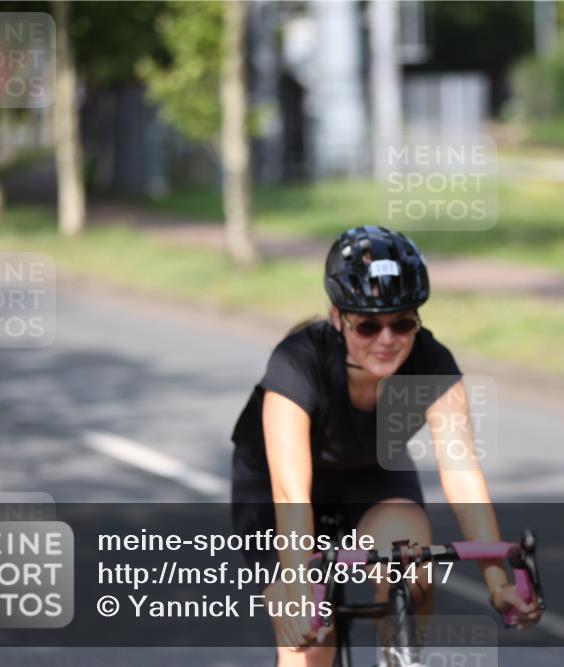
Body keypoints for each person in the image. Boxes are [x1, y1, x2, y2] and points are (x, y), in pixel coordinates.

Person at [231, 225, 541, 667]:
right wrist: (296, 583)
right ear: (338, 317)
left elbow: (462, 472)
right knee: (310, 640)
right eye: (368, 325)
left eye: (402, 322)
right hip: (278, 488)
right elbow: (291, 493)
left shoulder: (431, 365)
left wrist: (496, 580)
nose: (387, 339)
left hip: (371, 470)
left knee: (413, 577)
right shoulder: (298, 361)